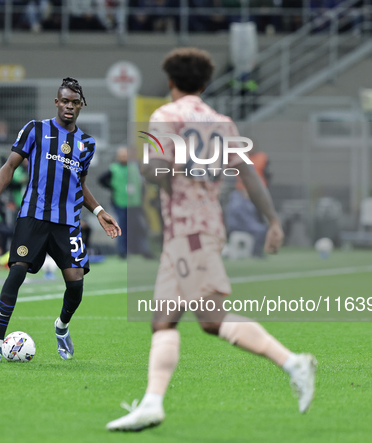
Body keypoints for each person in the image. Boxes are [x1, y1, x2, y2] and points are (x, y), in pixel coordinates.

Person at [106, 48, 316, 432]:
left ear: (170, 83)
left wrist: (152, 165)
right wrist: (272, 220)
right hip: (201, 228)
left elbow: (154, 170)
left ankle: (292, 362)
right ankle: (152, 403)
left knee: (210, 318)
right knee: (164, 321)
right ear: (204, 84)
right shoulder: (222, 123)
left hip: (189, 231)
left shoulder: (165, 117)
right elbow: (248, 174)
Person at [0, 77, 121, 362]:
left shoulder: (86, 143)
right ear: (57, 102)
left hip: (67, 222)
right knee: (17, 271)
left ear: (81, 106)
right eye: (65, 101)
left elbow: (79, 184)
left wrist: (98, 211)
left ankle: (61, 327)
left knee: (76, 283)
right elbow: (9, 165)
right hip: (33, 216)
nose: (69, 107)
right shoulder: (35, 129)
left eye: (75, 103)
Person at [98, 146, 152, 258]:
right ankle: (123, 252)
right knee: (121, 227)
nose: (123, 157)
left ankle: (144, 250)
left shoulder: (135, 167)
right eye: (121, 156)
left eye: (125, 155)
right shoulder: (113, 169)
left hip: (135, 203)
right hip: (120, 203)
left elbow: (142, 183)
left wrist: (142, 195)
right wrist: (113, 188)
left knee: (141, 226)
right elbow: (101, 180)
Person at [225, 148, 271, 257]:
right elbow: (238, 215)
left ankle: (257, 251)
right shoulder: (237, 198)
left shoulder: (250, 199)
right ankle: (256, 253)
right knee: (260, 229)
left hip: (248, 221)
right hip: (239, 225)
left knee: (262, 227)